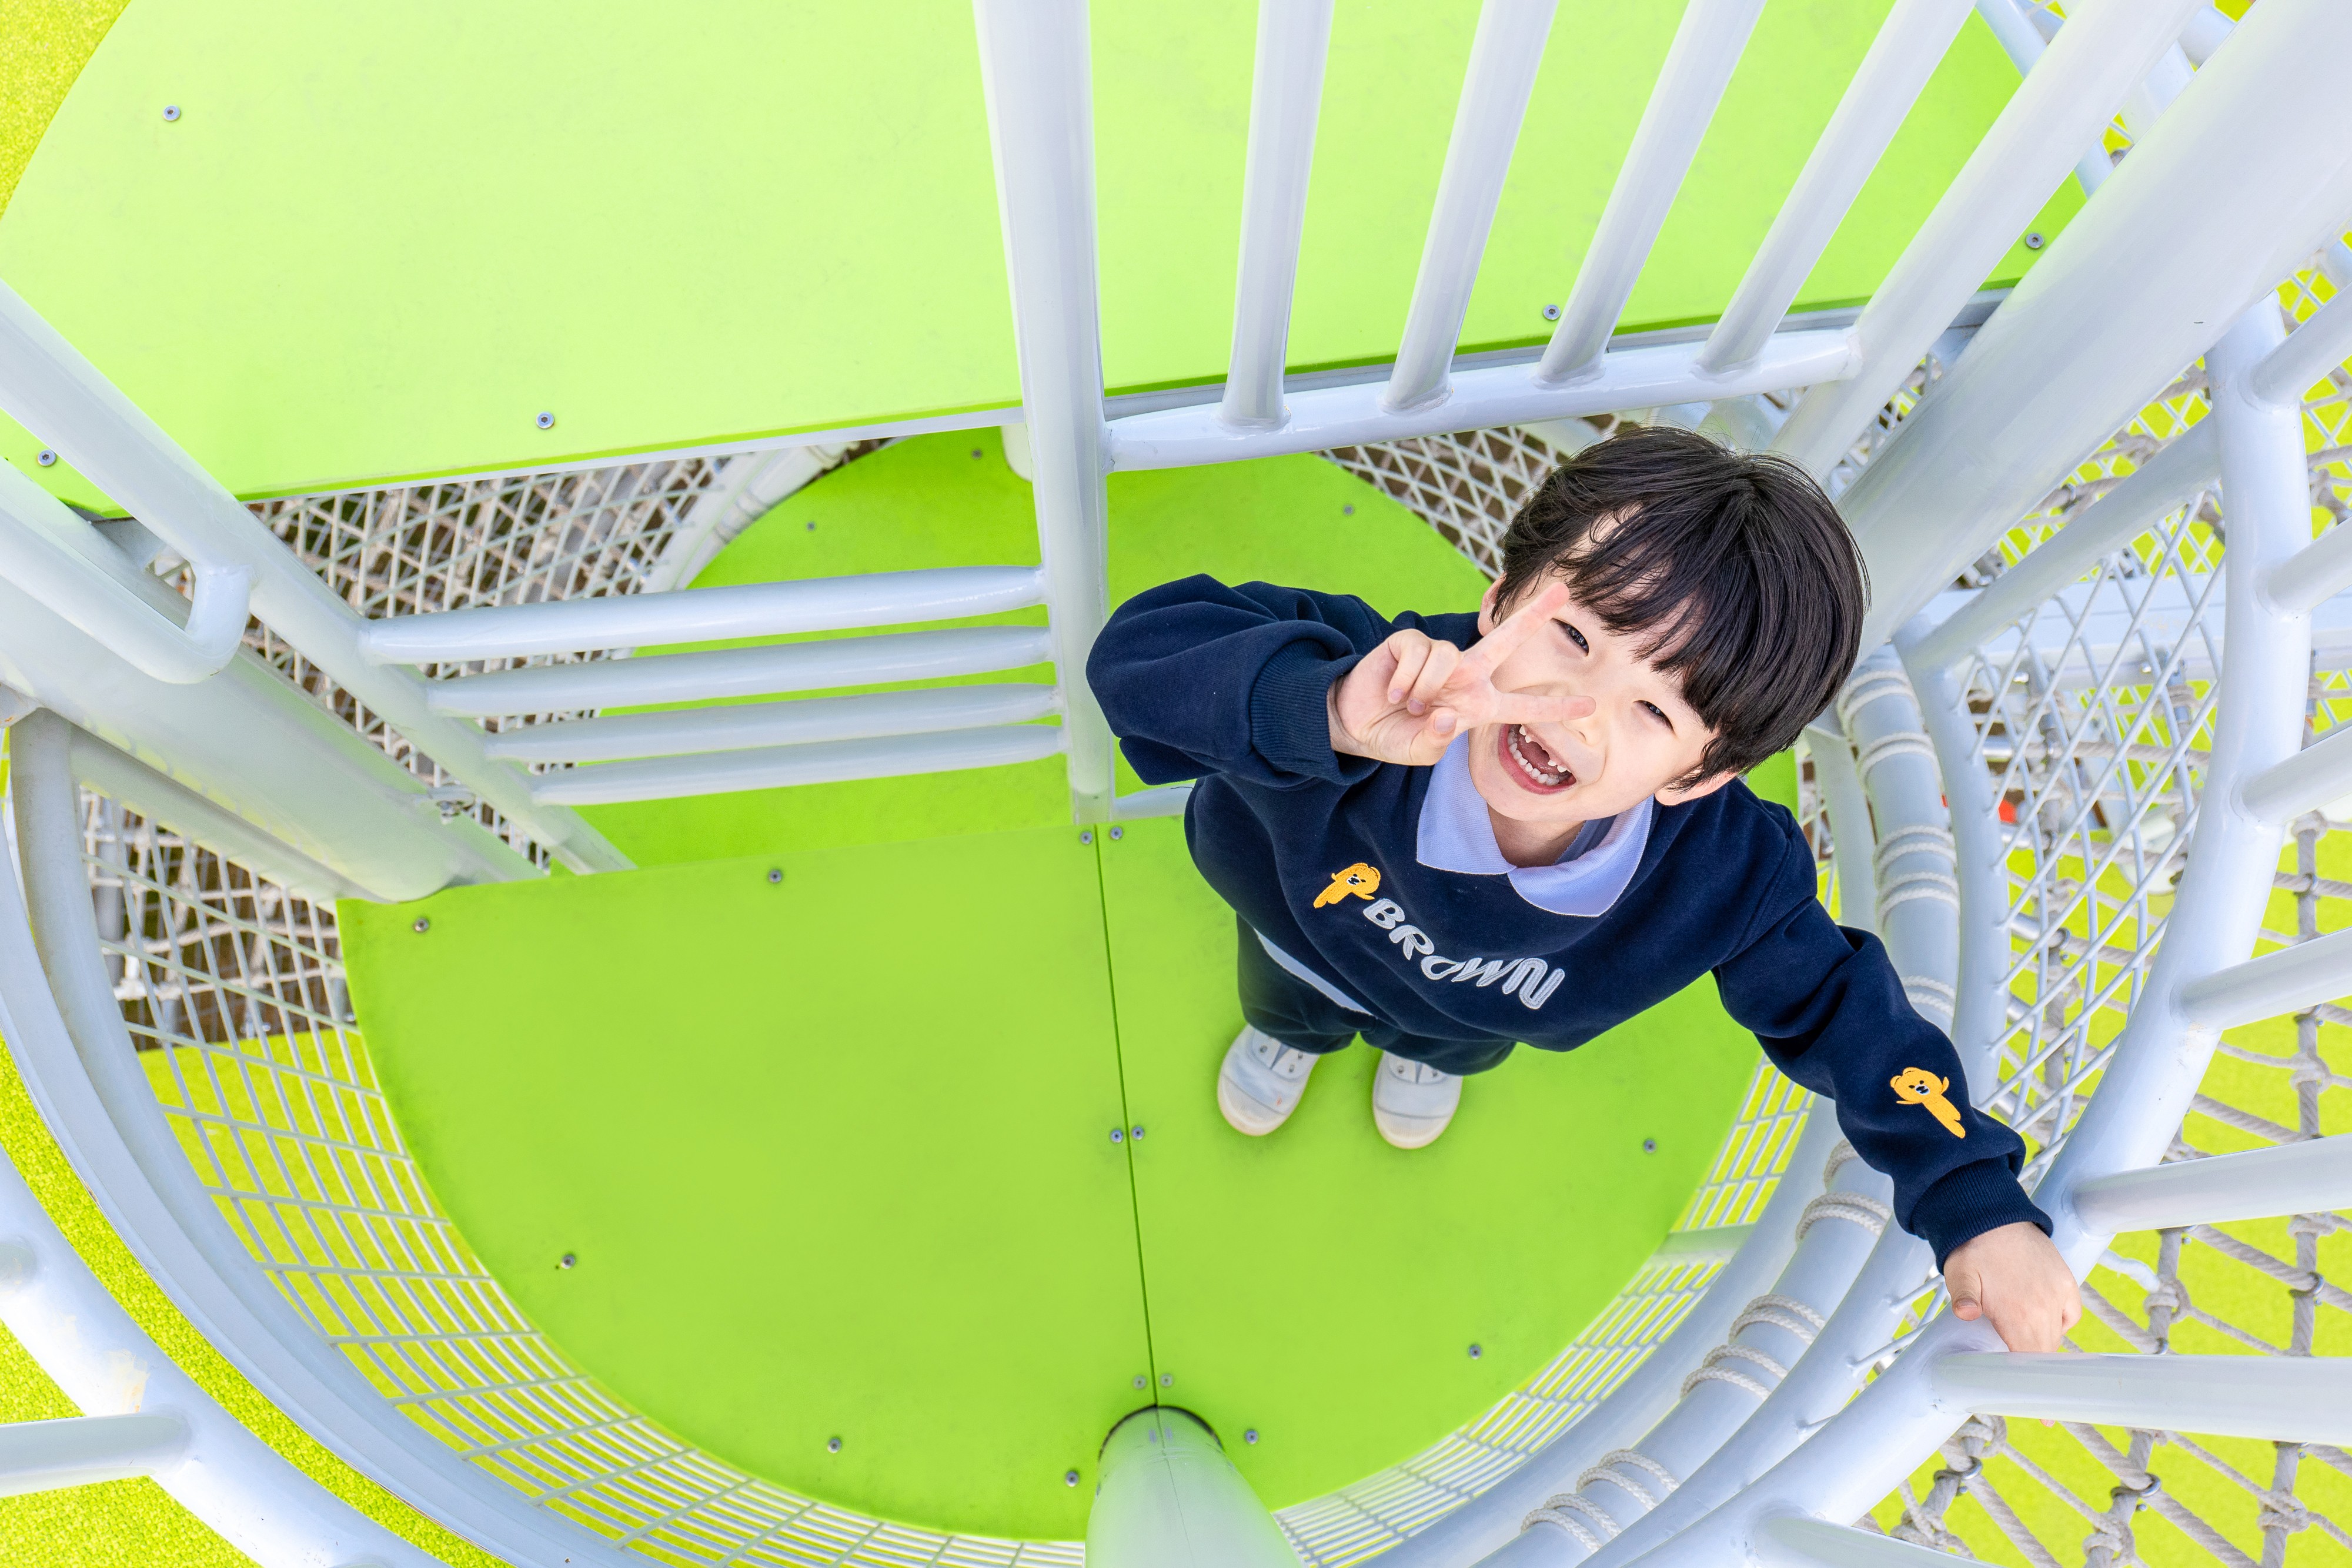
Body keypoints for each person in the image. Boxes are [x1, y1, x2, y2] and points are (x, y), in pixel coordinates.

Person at [1085, 425, 2082, 1352]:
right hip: (1296, 932)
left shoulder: (1725, 876)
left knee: (1445, 1037)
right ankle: (1293, 1035)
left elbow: (1846, 1016)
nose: (1578, 713)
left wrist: (1972, 1200)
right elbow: (1137, 658)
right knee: (1290, 1000)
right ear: (1503, 598)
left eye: (1654, 708)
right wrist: (1334, 710)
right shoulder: (1376, 678)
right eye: (1574, 638)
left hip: (1473, 1009)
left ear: (1702, 774)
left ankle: (1422, 1058)